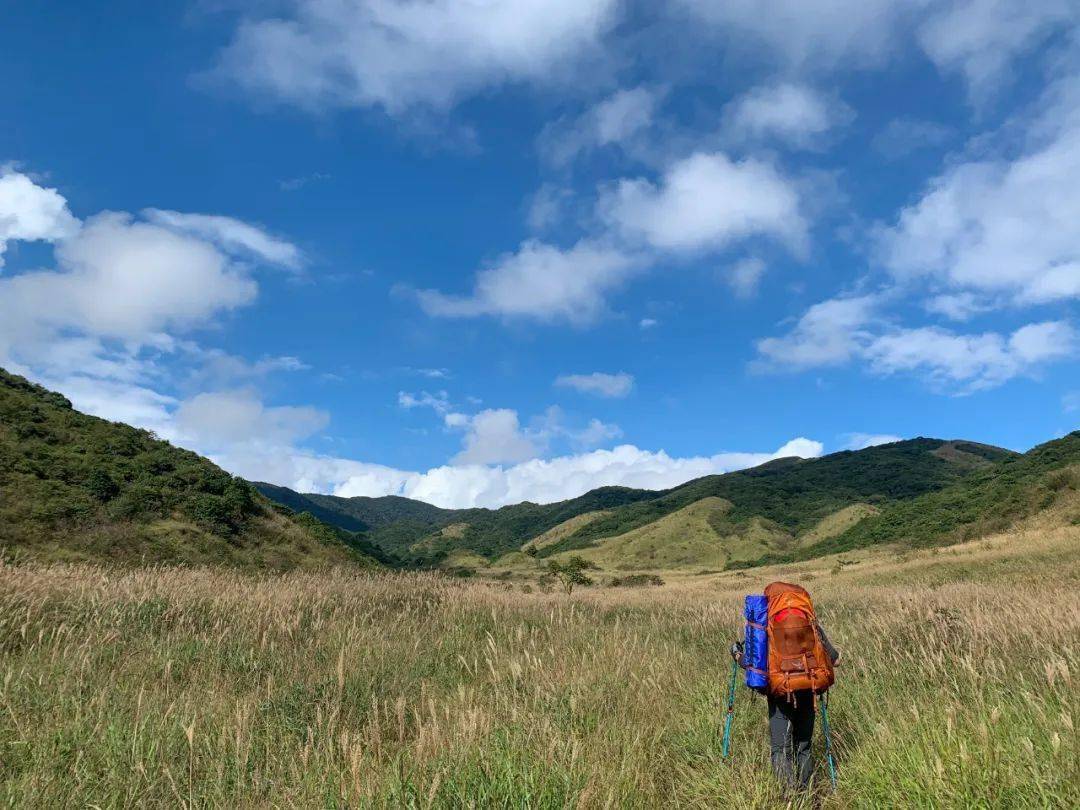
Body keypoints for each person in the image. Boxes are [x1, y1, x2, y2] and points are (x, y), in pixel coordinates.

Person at [767, 611, 839, 791]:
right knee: (804, 745)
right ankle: (808, 796)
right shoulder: (809, 623)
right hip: (808, 689)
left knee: (781, 749)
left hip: (780, 694)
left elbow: (754, 664)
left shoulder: (768, 625)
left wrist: (737, 655)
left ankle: (789, 799)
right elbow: (835, 660)